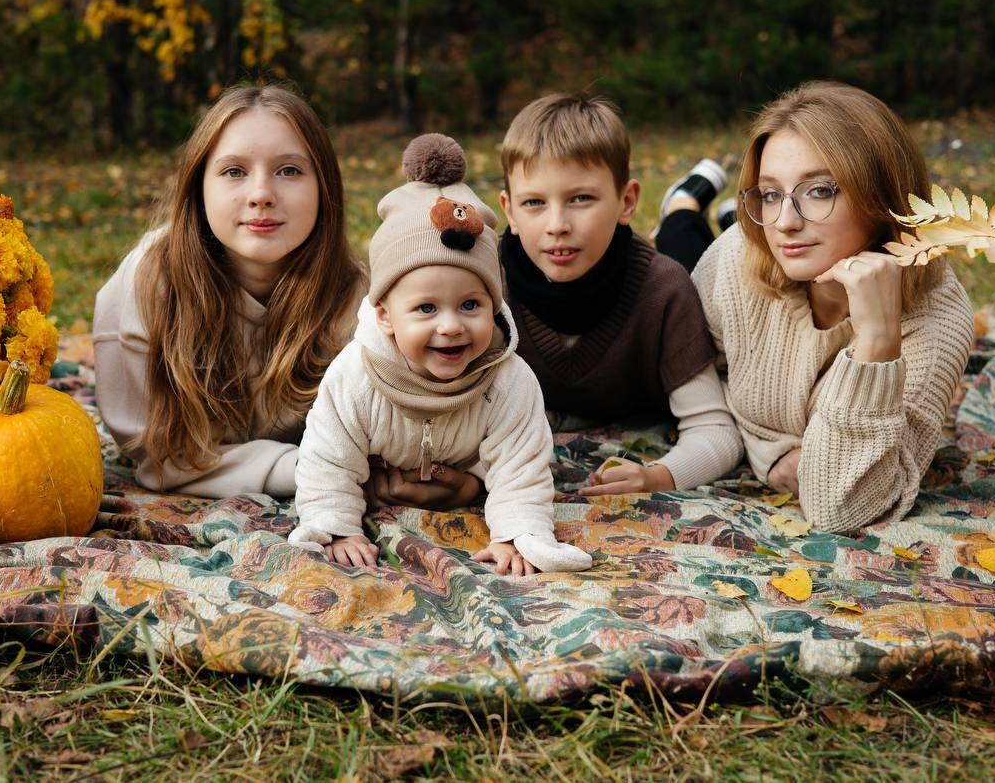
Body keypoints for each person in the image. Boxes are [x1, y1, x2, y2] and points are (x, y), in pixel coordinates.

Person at [672, 80, 974, 533]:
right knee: (675, 253)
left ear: (882, 198)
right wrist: (768, 452)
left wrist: (877, 342)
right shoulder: (740, 253)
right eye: (769, 194)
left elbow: (838, 506)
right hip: (710, 252)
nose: (785, 223)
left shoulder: (937, 322)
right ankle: (682, 203)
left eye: (819, 191)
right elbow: (691, 369)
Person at [289, 134, 593, 576]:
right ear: (385, 315)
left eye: (470, 305)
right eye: (426, 308)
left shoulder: (508, 380)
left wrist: (516, 533)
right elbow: (328, 457)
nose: (450, 326)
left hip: (467, 469)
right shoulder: (356, 376)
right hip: (382, 474)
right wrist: (335, 525)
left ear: (494, 306)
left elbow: (520, 465)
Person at [92, 84, 367, 498]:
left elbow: (387, 437)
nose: (261, 195)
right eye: (234, 171)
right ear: (199, 188)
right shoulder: (149, 285)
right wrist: (313, 469)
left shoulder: (358, 301)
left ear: (324, 187)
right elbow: (162, 457)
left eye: (289, 171)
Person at [496, 93, 743, 496]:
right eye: (534, 202)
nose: (557, 224)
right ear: (510, 211)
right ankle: (708, 210)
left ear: (626, 202)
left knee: (701, 256)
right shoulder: (484, 286)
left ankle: (695, 209)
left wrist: (659, 476)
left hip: (669, 270)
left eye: (581, 199)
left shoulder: (664, 291)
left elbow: (715, 430)